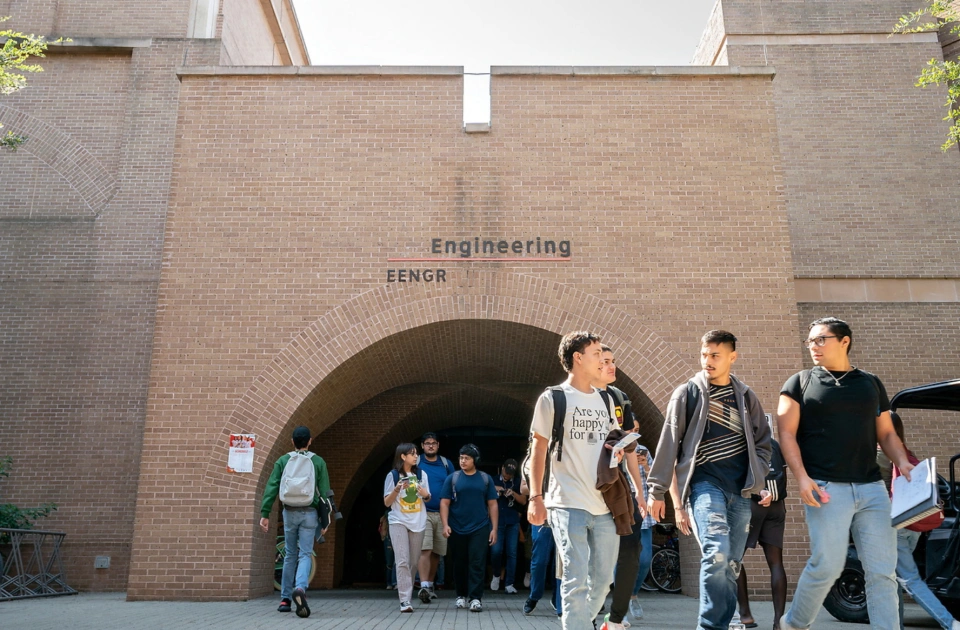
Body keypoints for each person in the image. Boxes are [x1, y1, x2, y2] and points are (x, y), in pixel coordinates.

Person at [777, 317, 912, 630]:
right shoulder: (799, 383)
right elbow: (786, 433)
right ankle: (795, 622)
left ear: (844, 341)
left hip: (872, 488)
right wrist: (802, 478)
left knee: (882, 572)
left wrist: (902, 461)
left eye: (820, 339)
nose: (813, 346)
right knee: (827, 565)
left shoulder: (870, 383)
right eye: (810, 341)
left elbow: (887, 434)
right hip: (825, 487)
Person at [647, 330, 772, 630]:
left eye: (715, 355)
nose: (708, 361)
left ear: (732, 357)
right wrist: (657, 490)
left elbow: (763, 443)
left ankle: (724, 622)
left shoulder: (745, 396)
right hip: (704, 486)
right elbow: (669, 443)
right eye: (704, 354)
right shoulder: (687, 393)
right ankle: (709, 626)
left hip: (740, 491)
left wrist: (760, 475)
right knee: (716, 552)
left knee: (730, 565)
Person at [526, 331, 620, 630]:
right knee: (575, 578)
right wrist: (536, 498)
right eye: (595, 354)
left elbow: (612, 445)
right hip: (566, 503)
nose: (601, 360)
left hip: (604, 503)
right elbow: (538, 449)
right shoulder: (553, 398)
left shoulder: (607, 399)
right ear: (578, 358)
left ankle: (579, 621)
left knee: (604, 580)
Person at [886, 412, 960, 630]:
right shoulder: (907, 454)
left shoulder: (882, 456)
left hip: (896, 527)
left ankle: (950, 624)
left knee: (909, 580)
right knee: (894, 578)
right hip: (914, 525)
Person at [597, 345, 647, 630]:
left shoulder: (620, 398)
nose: (611, 366)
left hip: (621, 487)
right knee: (596, 557)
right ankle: (588, 615)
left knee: (631, 548)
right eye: (604, 362)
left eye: (613, 361)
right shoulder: (579, 396)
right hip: (592, 487)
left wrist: (639, 490)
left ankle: (616, 617)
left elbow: (629, 447)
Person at [259, 425, 331, 618]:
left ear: (292, 442)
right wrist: (326, 521)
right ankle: (300, 588)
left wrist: (265, 513)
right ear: (310, 441)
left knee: (290, 554)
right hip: (310, 513)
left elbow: (272, 486)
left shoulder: (283, 460)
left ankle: (285, 600)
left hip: (289, 512)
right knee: (305, 554)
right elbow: (325, 493)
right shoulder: (318, 461)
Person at [736, 438, 788, 630]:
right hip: (776, 506)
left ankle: (745, 615)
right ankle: (779, 622)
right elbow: (783, 472)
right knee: (776, 563)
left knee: (735, 559)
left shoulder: (742, 441)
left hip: (750, 504)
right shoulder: (774, 443)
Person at [440, 443, 498, 612]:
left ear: (475, 460)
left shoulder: (485, 479)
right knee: (459, 562)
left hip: (480, 527)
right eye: (461, 457)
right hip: (456, 526)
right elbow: (444, 503)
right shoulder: (453, 478)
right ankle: (460, 595)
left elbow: (492, 504)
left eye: (467, 458)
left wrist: (494, 529)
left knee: (477, 562)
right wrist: (445, 525)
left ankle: (475, 598)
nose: (463, 461)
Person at [383, 442, 432, 613]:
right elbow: (387, 502)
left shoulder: (421, 474)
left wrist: (424, 493)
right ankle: (405, 600)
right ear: (403, 456)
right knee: (402, 560)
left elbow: (428, 497)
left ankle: (407, 595)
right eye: (412, 453)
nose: (416, 456)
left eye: (416, 453)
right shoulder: (393, 475)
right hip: (398, 520)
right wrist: (396, 490)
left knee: (413, 561)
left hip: (418, 521)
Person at [416, 432, 455, 603]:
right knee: (425, 549)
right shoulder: (417, 463)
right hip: (421, 512)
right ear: (422, 446)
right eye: (427, 443)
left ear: (438, 445)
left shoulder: (446, 464)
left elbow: (454, 485)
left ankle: (430, 585)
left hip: (442, 514)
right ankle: (423, 584)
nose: (430, 446)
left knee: (437, 552)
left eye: (433, 443)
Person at [520, 471, 562, 617]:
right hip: (541, 514)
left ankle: (559, 601)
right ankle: (534, 595)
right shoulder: (531, 460)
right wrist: (539, 489)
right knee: (539, 560)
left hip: (561, 511)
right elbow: (522, 488)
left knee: (561, 561)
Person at [490, 458, 527, 594]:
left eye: (510, 473)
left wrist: (513, 494)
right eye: (506, 472)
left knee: (512, 553)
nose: (507, 475)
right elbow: (485, 493)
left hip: (513, 521)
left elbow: (523, 501)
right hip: (497, 520)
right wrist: (497, 489)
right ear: (502, 468)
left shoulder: (517, 482)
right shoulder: (493, 480)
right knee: (496, 551)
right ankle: (496, 574)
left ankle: (509, 583)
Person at [629, 445, 656, 621]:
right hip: (620, 513)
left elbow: (656, 481)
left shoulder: (643, 450)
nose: (633, 433)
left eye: (637, 430)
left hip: (643, 515)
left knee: (645, 559)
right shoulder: (613, 448)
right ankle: (621, 603)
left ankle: (633, 594)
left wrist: (646, 467)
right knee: (621, 561)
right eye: (630, 429)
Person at [379, 510, 397, 589]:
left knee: (392, 563)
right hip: (389, 539)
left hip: (390, 540)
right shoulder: (389, 514)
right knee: (392, 563)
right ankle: (392, 582)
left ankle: (391, 583)